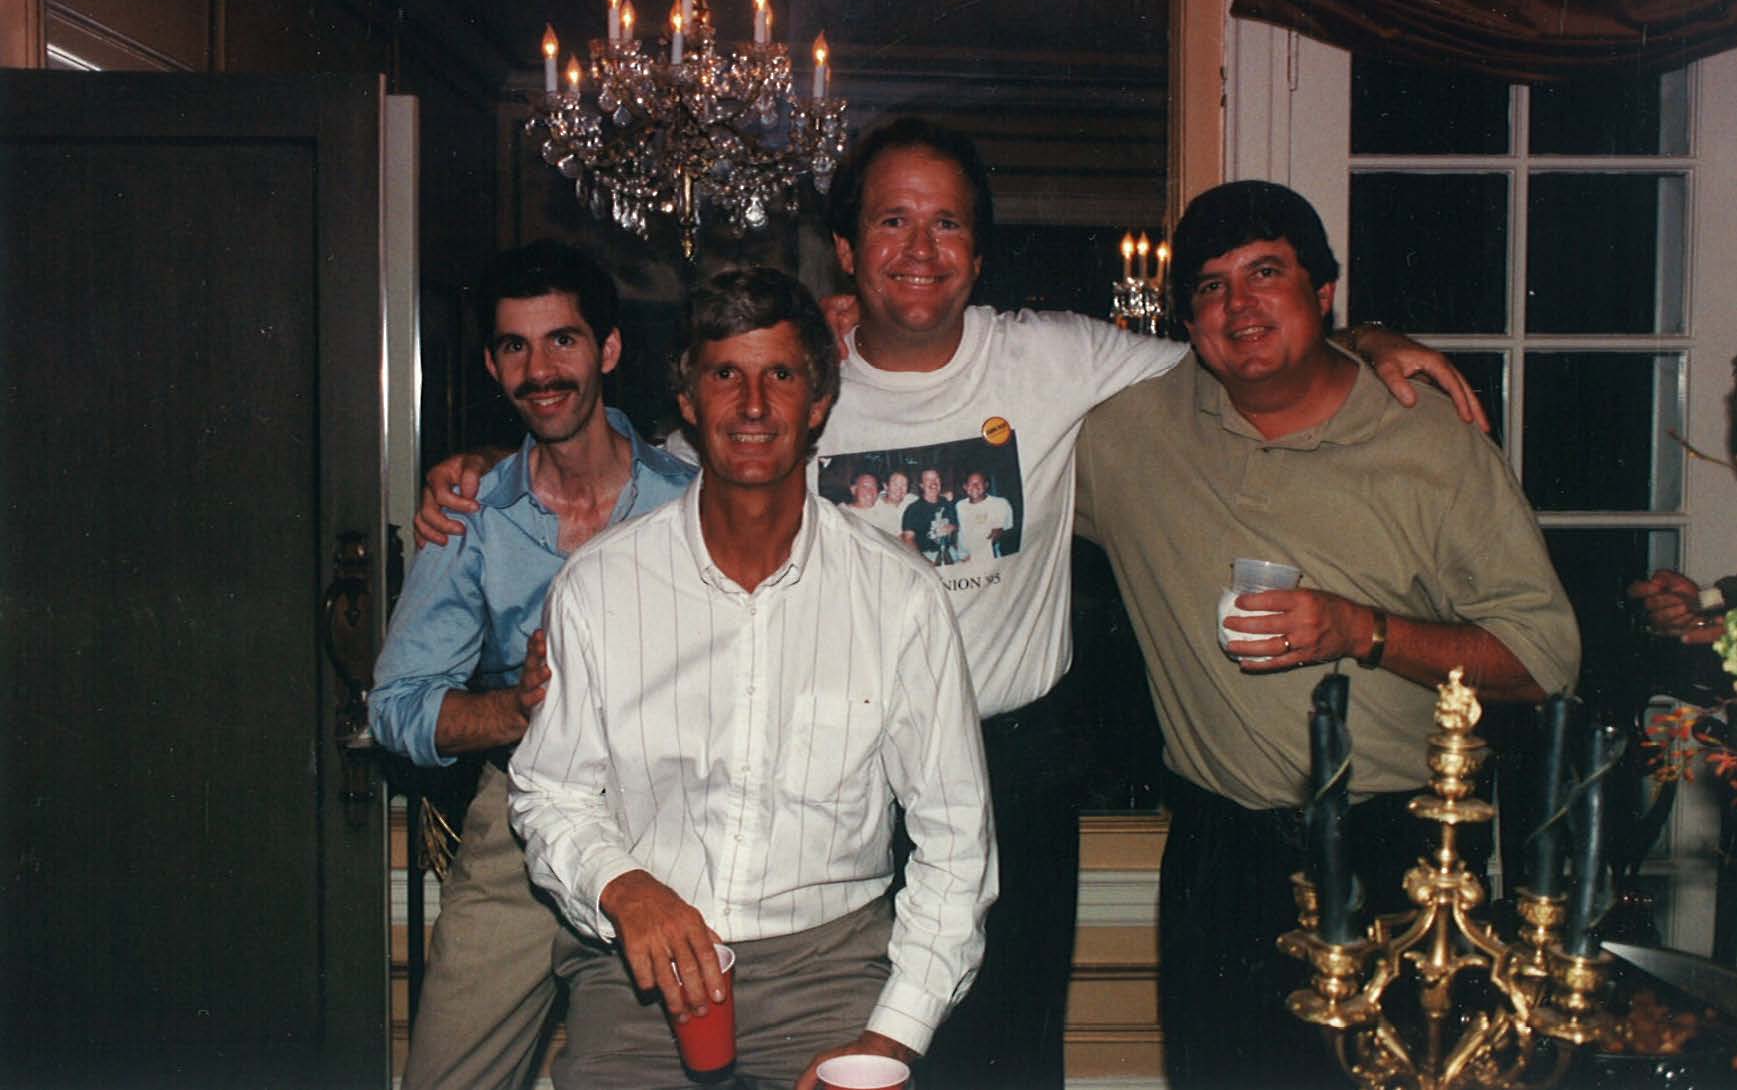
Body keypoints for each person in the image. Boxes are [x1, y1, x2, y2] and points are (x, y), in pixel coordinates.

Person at [418, 118, 1486, 1090]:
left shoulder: (1053, 357)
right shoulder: (792, 373)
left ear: (978, 252)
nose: (919, 248)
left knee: (1002, 1062)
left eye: (947, 224)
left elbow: (1242, 352)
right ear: (847, 249)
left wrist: (1363, 338)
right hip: (826, 773)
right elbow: (655, 469)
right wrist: (491, 470)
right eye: (892, 220)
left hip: (1011, 766)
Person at [1073, 180, 1582, 1090]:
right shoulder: (1128, 435)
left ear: (1324, 294)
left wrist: (1363, 630)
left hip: (1396, 852)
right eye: (1211, 287)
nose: (1239, 306)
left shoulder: (1429, 442)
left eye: (1266, 273)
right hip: (1217, 856)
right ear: (1187, 321)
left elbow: (1543, 660)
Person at [507, 267, 995, 1090]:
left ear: (819, 401)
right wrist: (621, 885)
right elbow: (549, 793)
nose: (755, 405)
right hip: (640, 978)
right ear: (688, 402)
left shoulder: (899, 597)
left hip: (829, 975)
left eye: (781, 376)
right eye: (725, 375)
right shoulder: (598, 586)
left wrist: (895, 1035)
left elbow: (956, 838)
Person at [370, 240, 695, 1090]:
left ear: (608, 349)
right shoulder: (471, 514)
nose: (540, 370)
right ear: (492, 364)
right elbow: (396, 705)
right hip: (516, 822)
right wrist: (516, 709)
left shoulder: (690, 496)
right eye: (515, 346)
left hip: (669, 825)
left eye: (563, 340)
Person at [901, 467, 961, 564]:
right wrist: (926, 562)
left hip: (950, 552)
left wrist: (952, 527)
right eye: (928, 479)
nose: (933, 482)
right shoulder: (913, 509)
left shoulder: (947, 503)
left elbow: (956, 526)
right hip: (927, 556)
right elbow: (908, 540)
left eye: (936, 478)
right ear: (921, 485)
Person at [955, 471, 1014, 563]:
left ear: (986, 485)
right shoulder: (959, 506)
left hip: (988, 558)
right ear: (965, 487)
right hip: (962, 559)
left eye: (979, 483)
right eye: (970, 484)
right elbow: (959, 531)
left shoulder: (1000, 503)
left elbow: (999, 531)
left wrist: (976, 556)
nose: (975, 486)